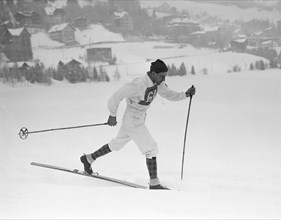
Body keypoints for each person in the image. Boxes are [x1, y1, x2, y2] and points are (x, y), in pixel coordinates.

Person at [80, 59, 196, 190]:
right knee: (151, 148)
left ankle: (88, 159)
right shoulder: (138, 84)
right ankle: (154, 183)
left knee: (116, 144)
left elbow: (169, 94)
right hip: (132, 119)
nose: (163, 79)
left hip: (139, 118)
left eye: (165, 76)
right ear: (153, 73)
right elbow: (115, 97)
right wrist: (112, 115)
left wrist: (185, 94)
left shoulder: (158, 83)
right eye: (161, 76)